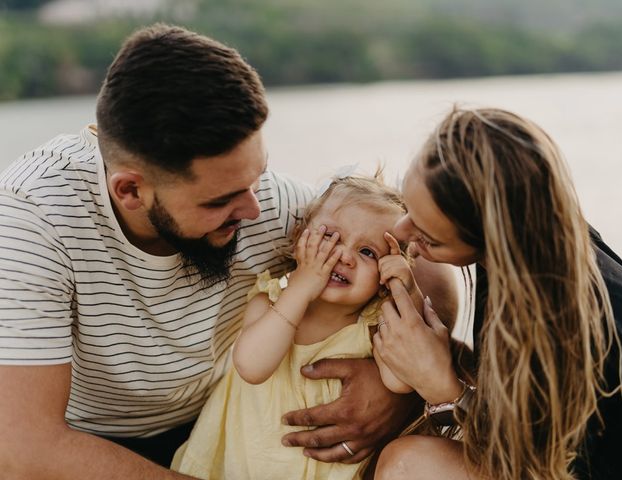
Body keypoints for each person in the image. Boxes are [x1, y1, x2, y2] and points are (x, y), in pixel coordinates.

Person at [0, 24, 458, 479]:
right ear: (131, 192)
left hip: (221, 422)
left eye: (257, 176)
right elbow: (25, 448)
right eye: (220, 200)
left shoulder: (269, 204)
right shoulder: (33, 220)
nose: (255, 208)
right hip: (90, 449)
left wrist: (392, 389)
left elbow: (423, 262)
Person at [372, 107, 622, 479]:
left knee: (407, 464)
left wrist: (444, 390)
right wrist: (441, 355)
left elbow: (547, 468)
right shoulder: (534, 244)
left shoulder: (575, 325)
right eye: (408, 208)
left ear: (496, 238)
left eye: (428, 237)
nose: (401, 230)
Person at [171, 174, 422, 479]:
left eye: (368, 252)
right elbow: (252, 366)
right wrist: (301, 288)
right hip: (240, 465)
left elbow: (400, 382)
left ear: (384, 277)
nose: (344, 256)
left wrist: (407, 295)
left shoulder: (376, 325)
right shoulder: (269, 302)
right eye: (330, 237)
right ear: (299, 237)